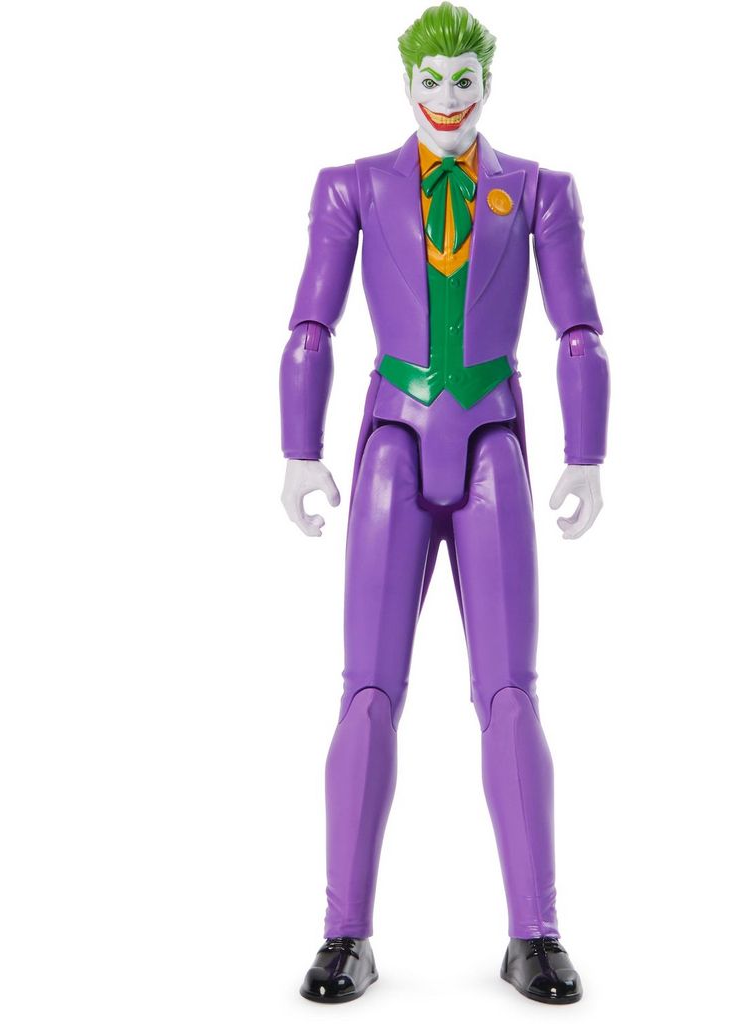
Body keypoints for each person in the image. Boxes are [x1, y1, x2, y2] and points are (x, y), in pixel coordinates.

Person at [279, 2, 610, 1004]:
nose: (449, 98)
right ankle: (345, 930)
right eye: (433, 80)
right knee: (368, 690)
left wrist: (585, 454)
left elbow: (579, 329)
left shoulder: (539, 191)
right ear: (407, 84)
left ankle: (534, 931)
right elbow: (311, 323)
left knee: (508, 691)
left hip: (493, 444)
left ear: (487, 83)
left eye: (465, 79)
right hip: (391, 439)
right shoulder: (353, 187)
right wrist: (300, 450)